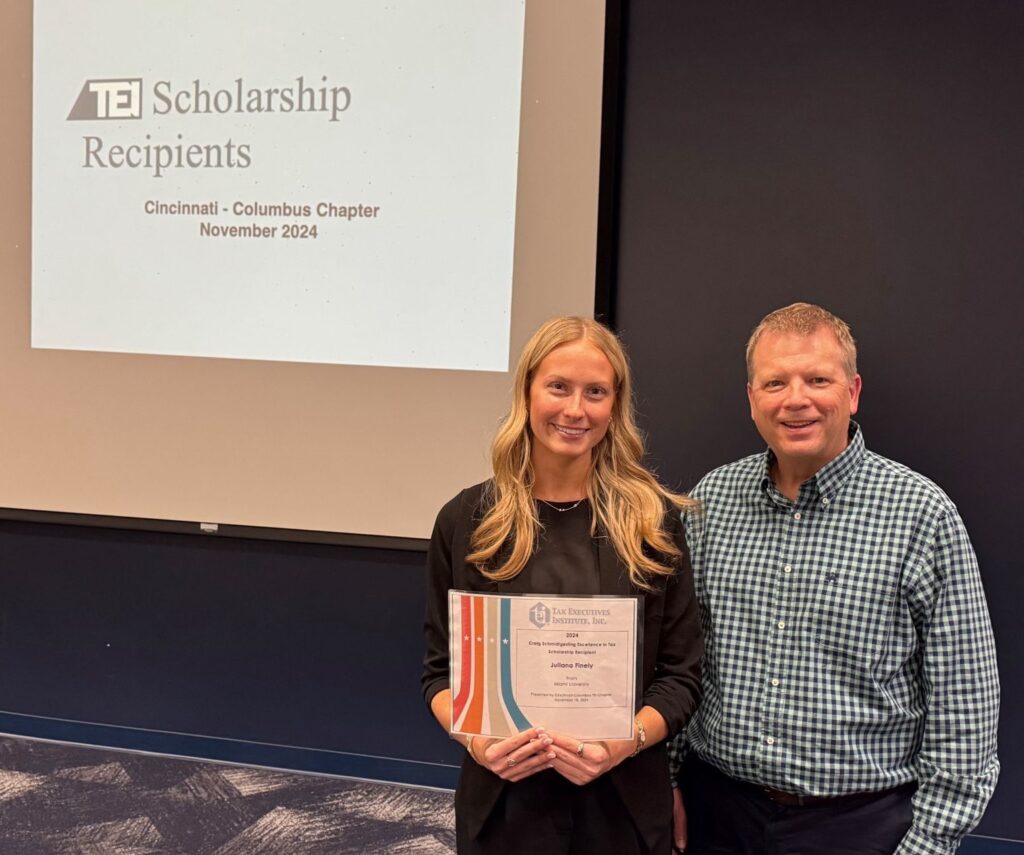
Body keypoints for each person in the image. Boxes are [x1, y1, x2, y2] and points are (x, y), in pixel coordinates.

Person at [668, 303, 1000, 855]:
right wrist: (670, 778)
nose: (796, 399)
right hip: (716, 814)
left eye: (818, 379)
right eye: (775, 382)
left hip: (859, 829)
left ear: (852, 392)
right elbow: (683, 658)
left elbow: (964, 709)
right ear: (752, 398)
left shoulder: (921, 515)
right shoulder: (712, 501)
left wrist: (928, 845)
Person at [422, 316, 703, 855]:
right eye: (558, 387)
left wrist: (623, 744)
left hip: (622, 806)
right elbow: (439, 674)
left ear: (614, 406)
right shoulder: (466, 522)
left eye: (595, 392)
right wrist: (478, 743)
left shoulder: (653, 524)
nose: (576, 410)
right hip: (505, 806)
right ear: (528, 392)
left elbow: (682, 676)